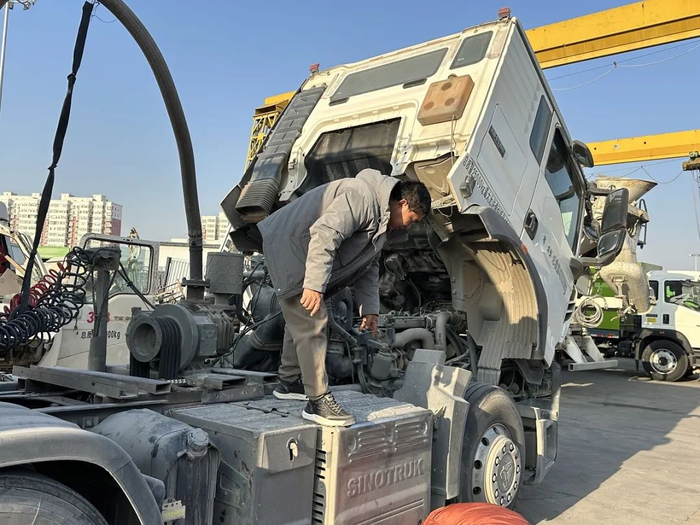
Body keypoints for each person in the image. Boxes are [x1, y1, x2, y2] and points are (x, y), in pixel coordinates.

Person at [257, 168, 431, 426]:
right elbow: (324, 233)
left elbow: (369, 265)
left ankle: (290, 381)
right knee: (312, 318)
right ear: (402, 203)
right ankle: (318, 401)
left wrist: (370, 309)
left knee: (301, 318)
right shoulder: (361, 197)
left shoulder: (381, 221)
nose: (409, 225)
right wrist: (314, 285)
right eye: (412, 219)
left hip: (302, 249)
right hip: (292, 246)